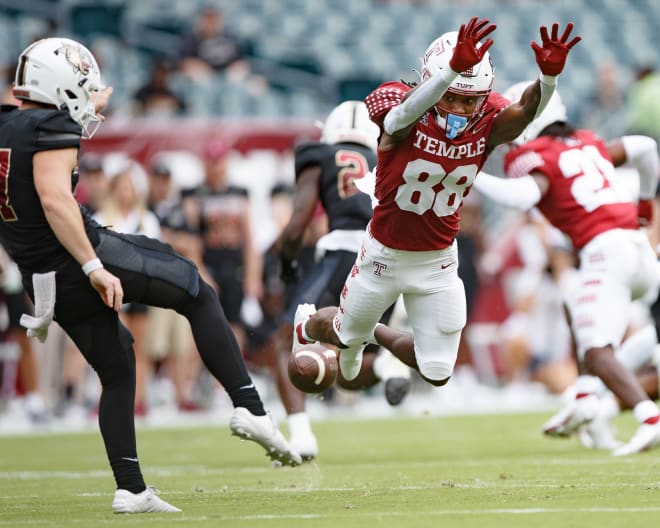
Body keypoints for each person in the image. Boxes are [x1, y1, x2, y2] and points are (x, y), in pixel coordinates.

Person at [1, 37, 300, 514]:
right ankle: (250, 406)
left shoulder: (10, 127)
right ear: (57, 86)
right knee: (196, 289)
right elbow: (56, 199)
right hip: (77, 256)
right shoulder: (50, 124)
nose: (88, 95)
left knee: (117, 368)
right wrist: (94, 265)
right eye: (80, 85)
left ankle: (132, 489)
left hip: (43, 274)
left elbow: (28, 186)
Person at [292, 18, 581, 391]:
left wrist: (547, 80)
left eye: (469, 99)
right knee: (345, 335)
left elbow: (525, 112)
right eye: (453, 96)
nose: (461, 108)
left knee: (438, 370)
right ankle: (307, 324)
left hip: (438, 260)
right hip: (383, 253)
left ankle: (374, 333)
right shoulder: (399, 100)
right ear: (434, 79)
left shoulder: (486, 121)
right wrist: (450, 74)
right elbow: (398, 119)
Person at [471, 81, 660, 455]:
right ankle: (587, 400)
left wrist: (471, 176)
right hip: (641, 252)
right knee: (620, 333)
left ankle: (647, 418)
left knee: (595, 351)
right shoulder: (589, 142)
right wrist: (645, 206)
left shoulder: (536, 154)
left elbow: (525, 195)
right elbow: (647, 148)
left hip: (606, 253)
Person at [274, 101, 411, 460]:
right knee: (344, 359)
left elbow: (297, 222)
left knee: (287, 340)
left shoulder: (319, 154)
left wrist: (286, 262)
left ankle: (301, 436)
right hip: (386, 263)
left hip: (342, 256)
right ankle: (383, 365)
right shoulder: (390, 156)